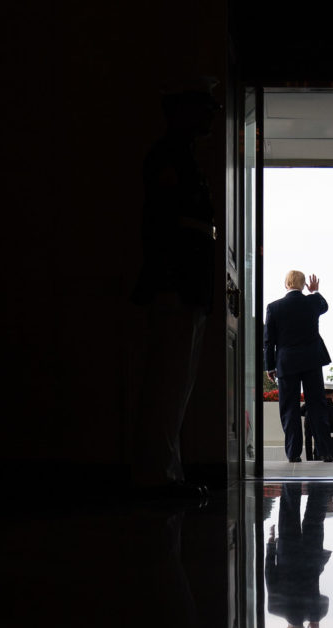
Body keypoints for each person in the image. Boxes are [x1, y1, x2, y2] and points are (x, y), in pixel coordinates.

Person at [130, 78, 220, 501]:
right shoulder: (169, 158)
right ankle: (157, 474)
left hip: (187, 282)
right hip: (178, 281)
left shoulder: (180, 157)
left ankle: (167, 470)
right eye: (203, 107)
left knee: (175, 383)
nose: (211, 116)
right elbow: (165, 229)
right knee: (168, 381)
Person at [265, 270, 333, 462]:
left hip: (287, 362)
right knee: (317, 405)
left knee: (290, 408)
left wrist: (270, 366)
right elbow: (324, 306)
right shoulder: (312, 303)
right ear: (304, 285)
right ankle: (325, 451)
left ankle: (293, 453)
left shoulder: (274, 307)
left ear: (286, 284)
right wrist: (315, 292)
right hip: (312, 360)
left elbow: (269, 341)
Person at [266, 483, 331, 628]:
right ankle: (291, 481)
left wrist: (315, 619)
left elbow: (325, 600)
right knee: (289, 507)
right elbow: (269, 573)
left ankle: (320, 482)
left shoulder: (316, 612)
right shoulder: (274, 608)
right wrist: (271, 546)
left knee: (315, 515)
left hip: (311, 556)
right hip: (287, 552)